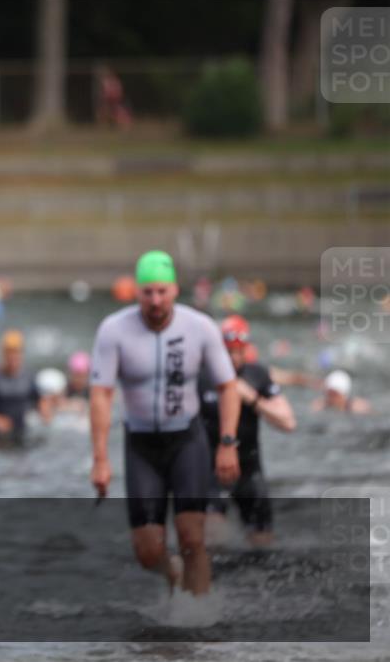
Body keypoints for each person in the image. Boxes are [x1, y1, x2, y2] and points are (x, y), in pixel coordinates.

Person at [89, 250, 239, 596]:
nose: (155, 300)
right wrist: (100, 459)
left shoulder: (199, 327)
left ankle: (200, 619)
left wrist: (227, 444)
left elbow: (228, 387)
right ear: (136, 291)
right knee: (147, 551)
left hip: (187, 441)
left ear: (174, 289)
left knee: (192, 537)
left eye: (162, 291)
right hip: (141, 445)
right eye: (147, 292)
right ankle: (173, 576)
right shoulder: (114, 330)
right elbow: (100, 395)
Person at [199, 315, 296, 547]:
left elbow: (288, 423)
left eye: (238, 351)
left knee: (262, 544)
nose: (232, 358)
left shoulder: (257, 375)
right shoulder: (202, 376)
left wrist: (251, 398)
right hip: (210, 469)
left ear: (247, 349)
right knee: (213, 538)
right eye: (228, 351)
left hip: (248, 468)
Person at [0, 329, 42, 447]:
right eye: (9, 352)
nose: (13, 356)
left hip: (23, 433)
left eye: (16, 352)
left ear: (22, 353)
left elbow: (40, 402)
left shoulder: (29, 375)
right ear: (3, 353)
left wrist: (47, 411)